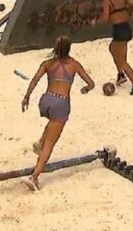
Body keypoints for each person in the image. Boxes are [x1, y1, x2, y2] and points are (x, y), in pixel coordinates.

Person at [21, 36, 94, 191]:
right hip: (61, 102)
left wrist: (26, 97)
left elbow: (35, 80)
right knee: (50, 143)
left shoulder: (48, 63)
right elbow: (91, 83)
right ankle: (34, 177)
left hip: (46, 100)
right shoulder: (74, 65)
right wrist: (86, 89)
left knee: (52, 122)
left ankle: (41, 141)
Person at [96, 0, 133, 96]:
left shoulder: (107, 1)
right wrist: (132, 14)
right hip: (126, 28)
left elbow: (105, 18)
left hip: (118, 30)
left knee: (122, 61)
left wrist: (96, 21)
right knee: (112, 49)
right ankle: (120, 75)